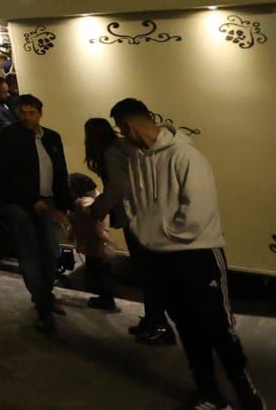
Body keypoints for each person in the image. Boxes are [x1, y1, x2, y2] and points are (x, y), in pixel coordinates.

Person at [112, 98, 263, 410]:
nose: (122, 136)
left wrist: (160, 235)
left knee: (217, 327)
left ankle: (246, 393)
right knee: (187, 326)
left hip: (198, 256)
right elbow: (132, 200)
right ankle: (209, 392)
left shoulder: (186, 156)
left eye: (121, 130)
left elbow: (198, 211)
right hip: (160, 258)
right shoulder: (137, 158)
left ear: (128, 125)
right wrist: (143, 232)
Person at [86, 116, 174, 345]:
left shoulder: (111, 152)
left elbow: (117, 188)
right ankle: (154, 320)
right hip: (146, 214)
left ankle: (159, 325)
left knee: (147, 273)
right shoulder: (125, 146)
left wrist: (98, 209)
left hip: (134, 217)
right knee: (149, 272)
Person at [0, 94, 71, 332]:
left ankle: (45, 294)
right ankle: (42, 305)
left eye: (32, 113)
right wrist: (31, 199)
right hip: (20, 203)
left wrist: (63, 206)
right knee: (29, 252)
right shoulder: (9, 137)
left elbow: (60, 171)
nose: (27, 117)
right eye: (23, 113)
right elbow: (7, 172)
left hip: (46, 200)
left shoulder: (51, 137)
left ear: (40, 113)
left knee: (50, 250)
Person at [66, 172, 117, 311]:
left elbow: (92, 227)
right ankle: (105, 299)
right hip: (98, 245)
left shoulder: (83, 204)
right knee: (99, 274)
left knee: (99, 275)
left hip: (96, 245)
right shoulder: (91, 201)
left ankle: (107, 301)